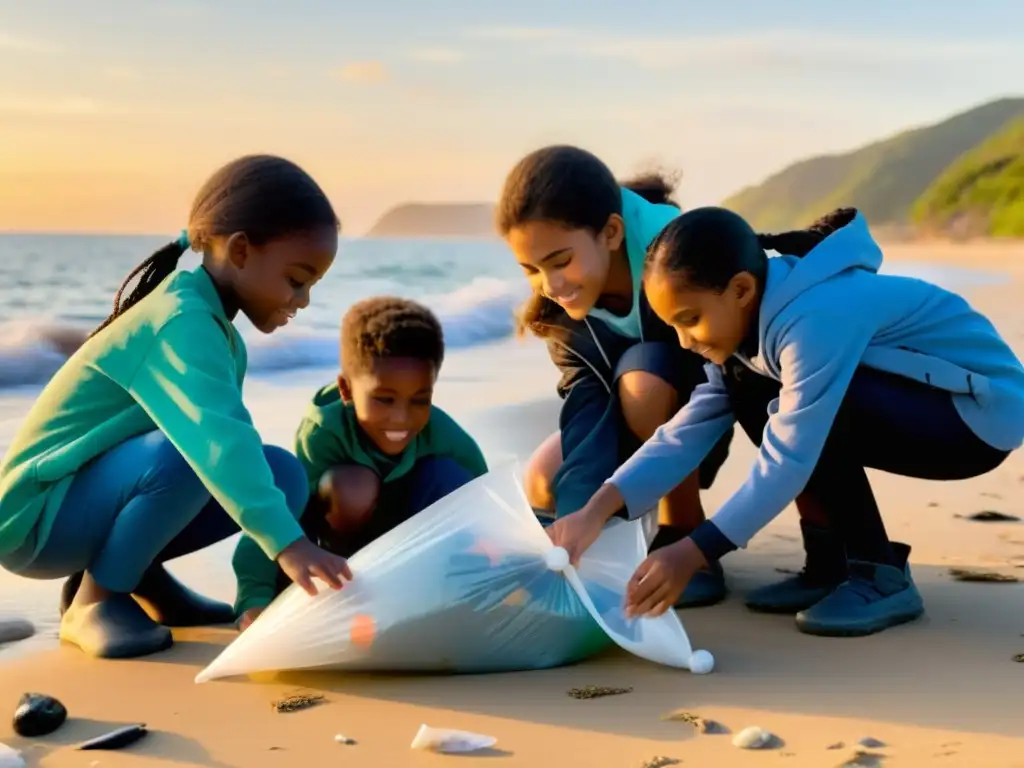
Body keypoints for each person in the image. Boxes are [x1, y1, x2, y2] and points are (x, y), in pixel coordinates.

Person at [549, 206, 1024, 637]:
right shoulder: (748, 328)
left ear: (740, 289)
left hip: (976, 415)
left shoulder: (813, 318)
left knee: (800, 410)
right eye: (671, 326)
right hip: (922, 397)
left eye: (690, 319)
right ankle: (830, 564)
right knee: (752, 393)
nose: (685, 342)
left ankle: (878, 574)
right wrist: (595, 509)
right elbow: (686, 430)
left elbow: (789, 458)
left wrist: (695, 550)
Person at [0, 155, 352, 659]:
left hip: (88, 501)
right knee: (189, 453)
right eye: (297, 279)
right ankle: (96, 600)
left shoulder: (215, 328)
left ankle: (142, 580)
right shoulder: (181, 320)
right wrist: (290, 547)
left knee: (283, 475)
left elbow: (230, 452)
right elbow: (216, 441)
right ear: (240, 250)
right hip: (36, 518)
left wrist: (276, 555)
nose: (303, 300)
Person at [496, 146, 734, 608]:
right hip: (630, 420)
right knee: (545, 478)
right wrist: (576, 521)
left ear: (611, 232)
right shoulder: (558, 312)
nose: (551, 285)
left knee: (643, 383)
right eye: (531, 269)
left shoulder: (674, 256)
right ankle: (612, 543)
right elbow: (587, 404)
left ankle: (681, 529)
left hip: (706, 405)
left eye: (561, 261)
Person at [234, 296, 489, 630]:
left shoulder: (442, 434)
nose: (401, 417)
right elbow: (276, 513)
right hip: (340, 553)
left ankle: (441, 589)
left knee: (451, 479)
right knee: (350, 487)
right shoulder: (323, 433)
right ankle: (342, 591)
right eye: (384, 399)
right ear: (346, 389)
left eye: (419, 400)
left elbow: (491, 506)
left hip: (410, 552)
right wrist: (254, 599)